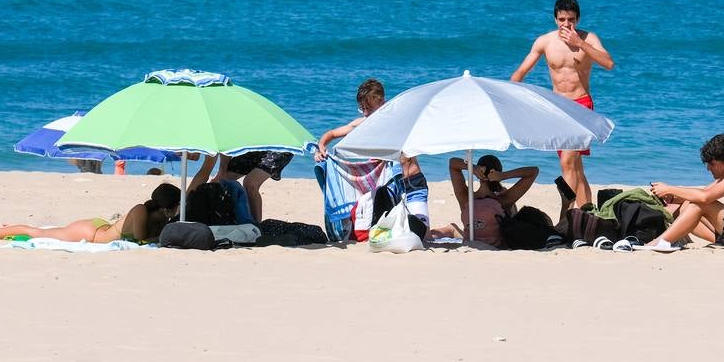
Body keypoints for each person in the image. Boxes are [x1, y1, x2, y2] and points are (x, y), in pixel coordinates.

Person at [510, 0, 614, 209]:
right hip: (557, 109)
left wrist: (580, 43)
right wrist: (510, 99)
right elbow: (521, 72)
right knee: (575, 166)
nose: (566, 24)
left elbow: (608, 63)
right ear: (555, 19)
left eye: (571, 20)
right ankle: (587, 213)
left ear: (578, 19)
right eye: (562, 20)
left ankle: (566, 215)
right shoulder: (545, 41)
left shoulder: (588, 38)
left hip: (581, 105)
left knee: (567, 162)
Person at [0, 153, 219, 243]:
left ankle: (6, 228)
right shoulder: (140, 210)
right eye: (177, 207)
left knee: (43, 231)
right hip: (90, 233)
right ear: (168, 208)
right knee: (37, 233)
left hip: (101, 228)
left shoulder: (166, 214)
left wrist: (213, 160)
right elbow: (142, 238)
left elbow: (196, 184)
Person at [316, 77, 430, 234]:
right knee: (393, 235)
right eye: (362, 108)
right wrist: (321, 147)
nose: (365, 113)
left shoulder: (397, 122)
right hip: (387, 190)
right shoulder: (364, 124)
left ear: (382, 103)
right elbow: (332, 134)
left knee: (422, 235)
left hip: (412, 185)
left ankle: (448, 231)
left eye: (369, 108)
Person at [429, 155, 539, 247]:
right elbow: (533, 172)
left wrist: (472, 168)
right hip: (495, 245)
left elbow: (453, 163)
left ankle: (452, 229)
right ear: (498, 172)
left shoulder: (466, 198)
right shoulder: (503, 200)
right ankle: (452, 229)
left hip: (470, 240)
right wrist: (504, 176)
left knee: (456, 230)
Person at [213, 149, 292, 225]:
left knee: (250, 183)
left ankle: (256, 225)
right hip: (256, 147)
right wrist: (222, 170)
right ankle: (217, 218)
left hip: (278, 148)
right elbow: (224, 146)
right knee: (220, 182)